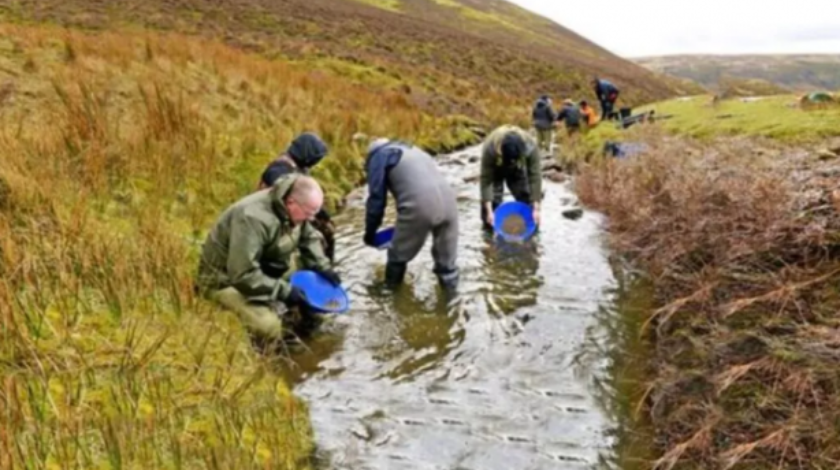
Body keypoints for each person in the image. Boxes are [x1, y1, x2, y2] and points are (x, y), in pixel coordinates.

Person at [196, 174, 340, 346]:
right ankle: (281, 351)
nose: (311, 219)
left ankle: (311, 330)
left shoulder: (295, 206)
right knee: (268, 326)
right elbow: (243, 274)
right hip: (226, 280)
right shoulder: (251, 218)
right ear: (291, 203)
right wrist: (285, 291)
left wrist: (323, 267)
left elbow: (308, 237)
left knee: (313, 285)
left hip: (264, 265)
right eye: (308, 214)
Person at [363, 138, 459, 291]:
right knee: (447, 266)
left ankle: (390, 297)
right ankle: (452, 306)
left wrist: (369, 233)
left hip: (421, 207)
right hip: (451, 205)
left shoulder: (380, 156)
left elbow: (376, 200)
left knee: (396, 257)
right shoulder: (415, 150)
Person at [257, 132, 336, 263]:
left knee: (328, 228)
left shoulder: (299, 167)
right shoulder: (279, 168)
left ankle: (324, 265)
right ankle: (314, 265)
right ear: (306, 154)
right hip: (275, 217)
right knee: (319, 236)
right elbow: (285, 192)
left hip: (291, 213)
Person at [479, 125, 542, 231]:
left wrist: (537, 207)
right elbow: (486, 180)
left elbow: (535, 176)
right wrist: (489, 211)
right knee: (492, 205)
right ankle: (488, 236)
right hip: (495, 170)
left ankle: (531, 234)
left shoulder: (530, 146)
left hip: (517, 169)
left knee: (527, 198)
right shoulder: (490, 148)